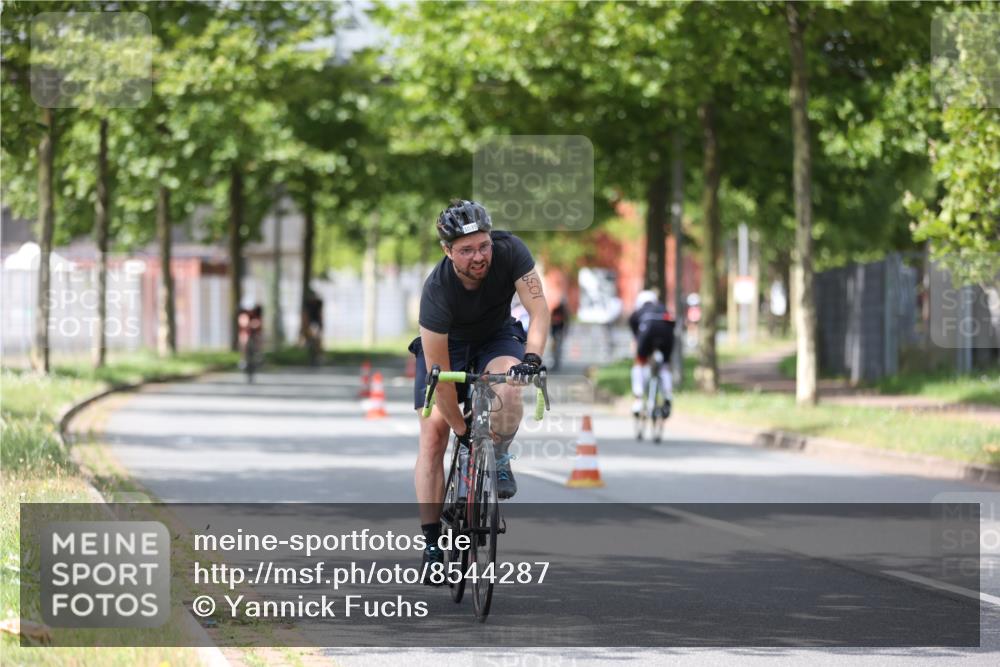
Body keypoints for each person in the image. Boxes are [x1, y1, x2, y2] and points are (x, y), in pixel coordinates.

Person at [409, 199, 549, 581]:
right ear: (447, 250)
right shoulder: (436, 291)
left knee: (509, 387)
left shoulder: (512, 251)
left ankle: (499, 455)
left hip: (496, 335)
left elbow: (539, 309)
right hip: (447, 345)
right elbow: (441, 378)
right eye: (466, 250)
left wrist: (531, 359)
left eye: (483, 245)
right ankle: (433, 541)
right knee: (434, 435)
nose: (478, 256)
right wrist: (461, 428)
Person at [628, 289, 675, 418]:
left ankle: (638, 399)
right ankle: (667, 393)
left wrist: (639, 348)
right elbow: (673, 322)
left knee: (639, 362)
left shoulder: (639, 311)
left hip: (647, 331)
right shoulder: (662, 307)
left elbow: (635, 334)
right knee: (665, 365)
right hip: (667, 333)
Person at [549, 298, 570, 372]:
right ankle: (555, 363)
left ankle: (557, 363)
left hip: (559, 333)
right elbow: (551, 321)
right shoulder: (556, 311)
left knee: (558, 349)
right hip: (555, 333)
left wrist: (565, 332)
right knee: (555, 349)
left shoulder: (564, 313)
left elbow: (566, 324)